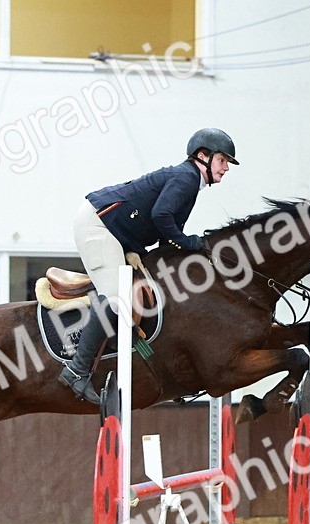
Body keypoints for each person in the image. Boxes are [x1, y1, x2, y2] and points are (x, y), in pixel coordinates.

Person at [58, 127, 238, 403]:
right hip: (99, 226)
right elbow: (161, 216)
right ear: (203, 156)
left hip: (116, 232)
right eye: (223, 161)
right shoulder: (186, 177)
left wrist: (189, 245)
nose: (226, 168)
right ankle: (76, 370)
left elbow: (169, 229)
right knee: (118, 300)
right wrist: (189, 243)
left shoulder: (190, 181)